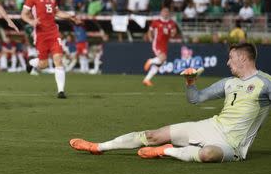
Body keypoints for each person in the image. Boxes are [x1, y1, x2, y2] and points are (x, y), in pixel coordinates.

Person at [71, 43, 271, 163]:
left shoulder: (265, 83)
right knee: (152, 135)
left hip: (232, 145)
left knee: (208, 154)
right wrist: (190, 83)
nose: (228, 63)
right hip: (210, 127)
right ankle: (98, 147)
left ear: (243, 58)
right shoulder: (229, 83)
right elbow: (196, 99)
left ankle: (166, 150)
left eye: (231, 58)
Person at [21, 0, 80, 98]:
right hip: (40, 35)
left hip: (54, 33)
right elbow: (23, 14)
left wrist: (71, 17)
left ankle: (61, 91)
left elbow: (57, 13)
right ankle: (31, 63)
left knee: (58, 60)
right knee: (44, 65)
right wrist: (31, 21)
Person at [143, 0, 178, 86]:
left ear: (168, 13)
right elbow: (150, 30)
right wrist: (150, 38)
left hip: (165, 44)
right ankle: (150, 61)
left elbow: (174, 32)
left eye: (167, 12)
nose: (165, 13)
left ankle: (146, 80)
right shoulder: (156, 22)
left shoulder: (171, 23)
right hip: (157, 43)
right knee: (162, 58)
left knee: (161, 63)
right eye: (164, 12)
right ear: (161, 13)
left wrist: (173, 33)